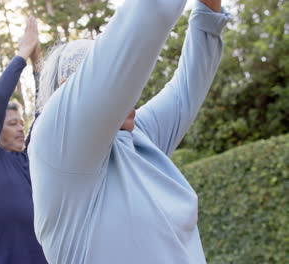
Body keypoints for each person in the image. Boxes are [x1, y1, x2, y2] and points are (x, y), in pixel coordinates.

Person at [28, 0, 230, 263]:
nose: (131, 91)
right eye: (118, 80)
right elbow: (148, 14)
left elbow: (187, 88)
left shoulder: (136, 137)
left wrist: (208, 9)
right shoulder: (56, 144)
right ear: (68, 93)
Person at [0, 16, 47, 264]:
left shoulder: (29, 159)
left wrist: (38, 66)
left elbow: (44, 111)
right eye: (13, 123)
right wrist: (23, 53)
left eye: (22, 124)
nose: (21, 128)